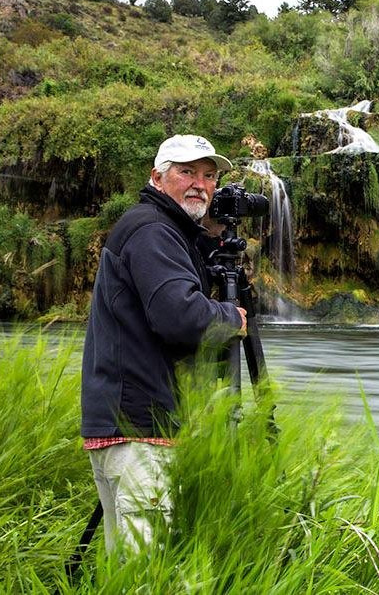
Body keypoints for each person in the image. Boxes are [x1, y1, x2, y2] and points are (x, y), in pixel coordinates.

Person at [80, 134, 247, 554]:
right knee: (145, 571)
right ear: (157, 177)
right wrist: (232, 316)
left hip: (125, 421)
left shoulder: (158, 229)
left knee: (128, 569)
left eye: (209, 176)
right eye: (186, 172)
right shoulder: (153, 231)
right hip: (141, 429)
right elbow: (182, 319)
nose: (200, 184)